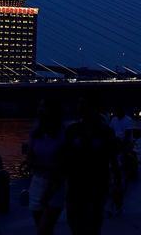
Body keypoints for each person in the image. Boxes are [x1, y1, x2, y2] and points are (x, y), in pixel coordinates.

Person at [62, 100, 119, 234]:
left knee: (95, 220)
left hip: (98, 182)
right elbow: (65, 156)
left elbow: (113, 157)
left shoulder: (106, 132)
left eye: (86, 107)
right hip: (76, 182)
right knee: (74, 220)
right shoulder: (72, 130)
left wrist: (117, 183)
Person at [27, 101, 66, 235]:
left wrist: (39, 165)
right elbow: (29, 158)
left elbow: (62, 165)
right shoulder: (36, 133)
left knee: (44, 229)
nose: (40, 111)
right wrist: (49, 166)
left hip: (55, 185)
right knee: (43, 228)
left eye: (43, 109)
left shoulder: (62, 134)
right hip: (37, 182)